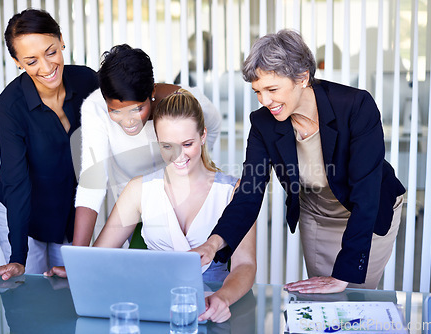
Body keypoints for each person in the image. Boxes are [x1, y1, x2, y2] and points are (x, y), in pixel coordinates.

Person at [193, 29, 405, 293]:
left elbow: (366, 192)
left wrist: (344, 275)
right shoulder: (263, 123)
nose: (265, 101)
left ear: (302, 78)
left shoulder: (356, 106)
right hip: (317, 213)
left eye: (272, 89)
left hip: (369, 210)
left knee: (353, 293)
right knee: (321, 296)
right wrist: (213, 243)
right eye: (257, 91)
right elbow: (249, 193)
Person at [47, 89, 256, 323]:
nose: (178, 155)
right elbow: (100, 256)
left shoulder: (234, 192)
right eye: (167, 146)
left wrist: (222, 299)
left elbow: (245, 265)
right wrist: (78, 271)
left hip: (213, 309)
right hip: (152, 311)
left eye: (187, 144)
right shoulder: (139, 189)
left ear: (203, 135)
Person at [0, 9, 99, 284]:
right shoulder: (10, 106)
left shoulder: (88, 81)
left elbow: (126, 99)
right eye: (31, 61)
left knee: (73, 293)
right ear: (18, 62)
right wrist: (18, 257)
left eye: (51, 52)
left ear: (61, 40)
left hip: (70, 210)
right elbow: (16, 181)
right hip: (24, 215)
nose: (46, 67)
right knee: (30, 296)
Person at [73, 44, 221, 247]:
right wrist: (77, 257)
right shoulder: (95, 108)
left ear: (152, 91)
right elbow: (92, 180)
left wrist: (187, 162)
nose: (128, 121)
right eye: (116, 111)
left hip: (181, 205)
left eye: (138, 109)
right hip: (131, 211)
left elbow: (210, 129)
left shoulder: (186, 104)